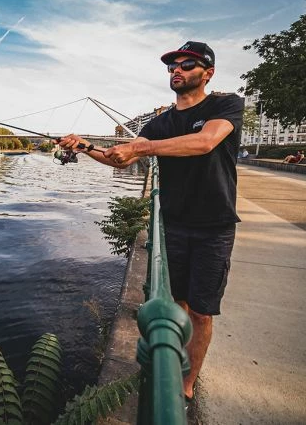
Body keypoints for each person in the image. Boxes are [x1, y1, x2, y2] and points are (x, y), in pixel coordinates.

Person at [58, 41, 244, 403]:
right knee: (177, 304)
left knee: (202, 312)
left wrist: (142, 147)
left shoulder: (225, 105)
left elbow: (205, 142)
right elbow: (121, 159)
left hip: (214, 227)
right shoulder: (160, 123)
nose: (178, 70)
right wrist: (85, 147)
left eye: (188, 65)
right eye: (173, 66)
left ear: (208, 73)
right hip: (172, 224)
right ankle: (173, 362)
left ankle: (188, 381)